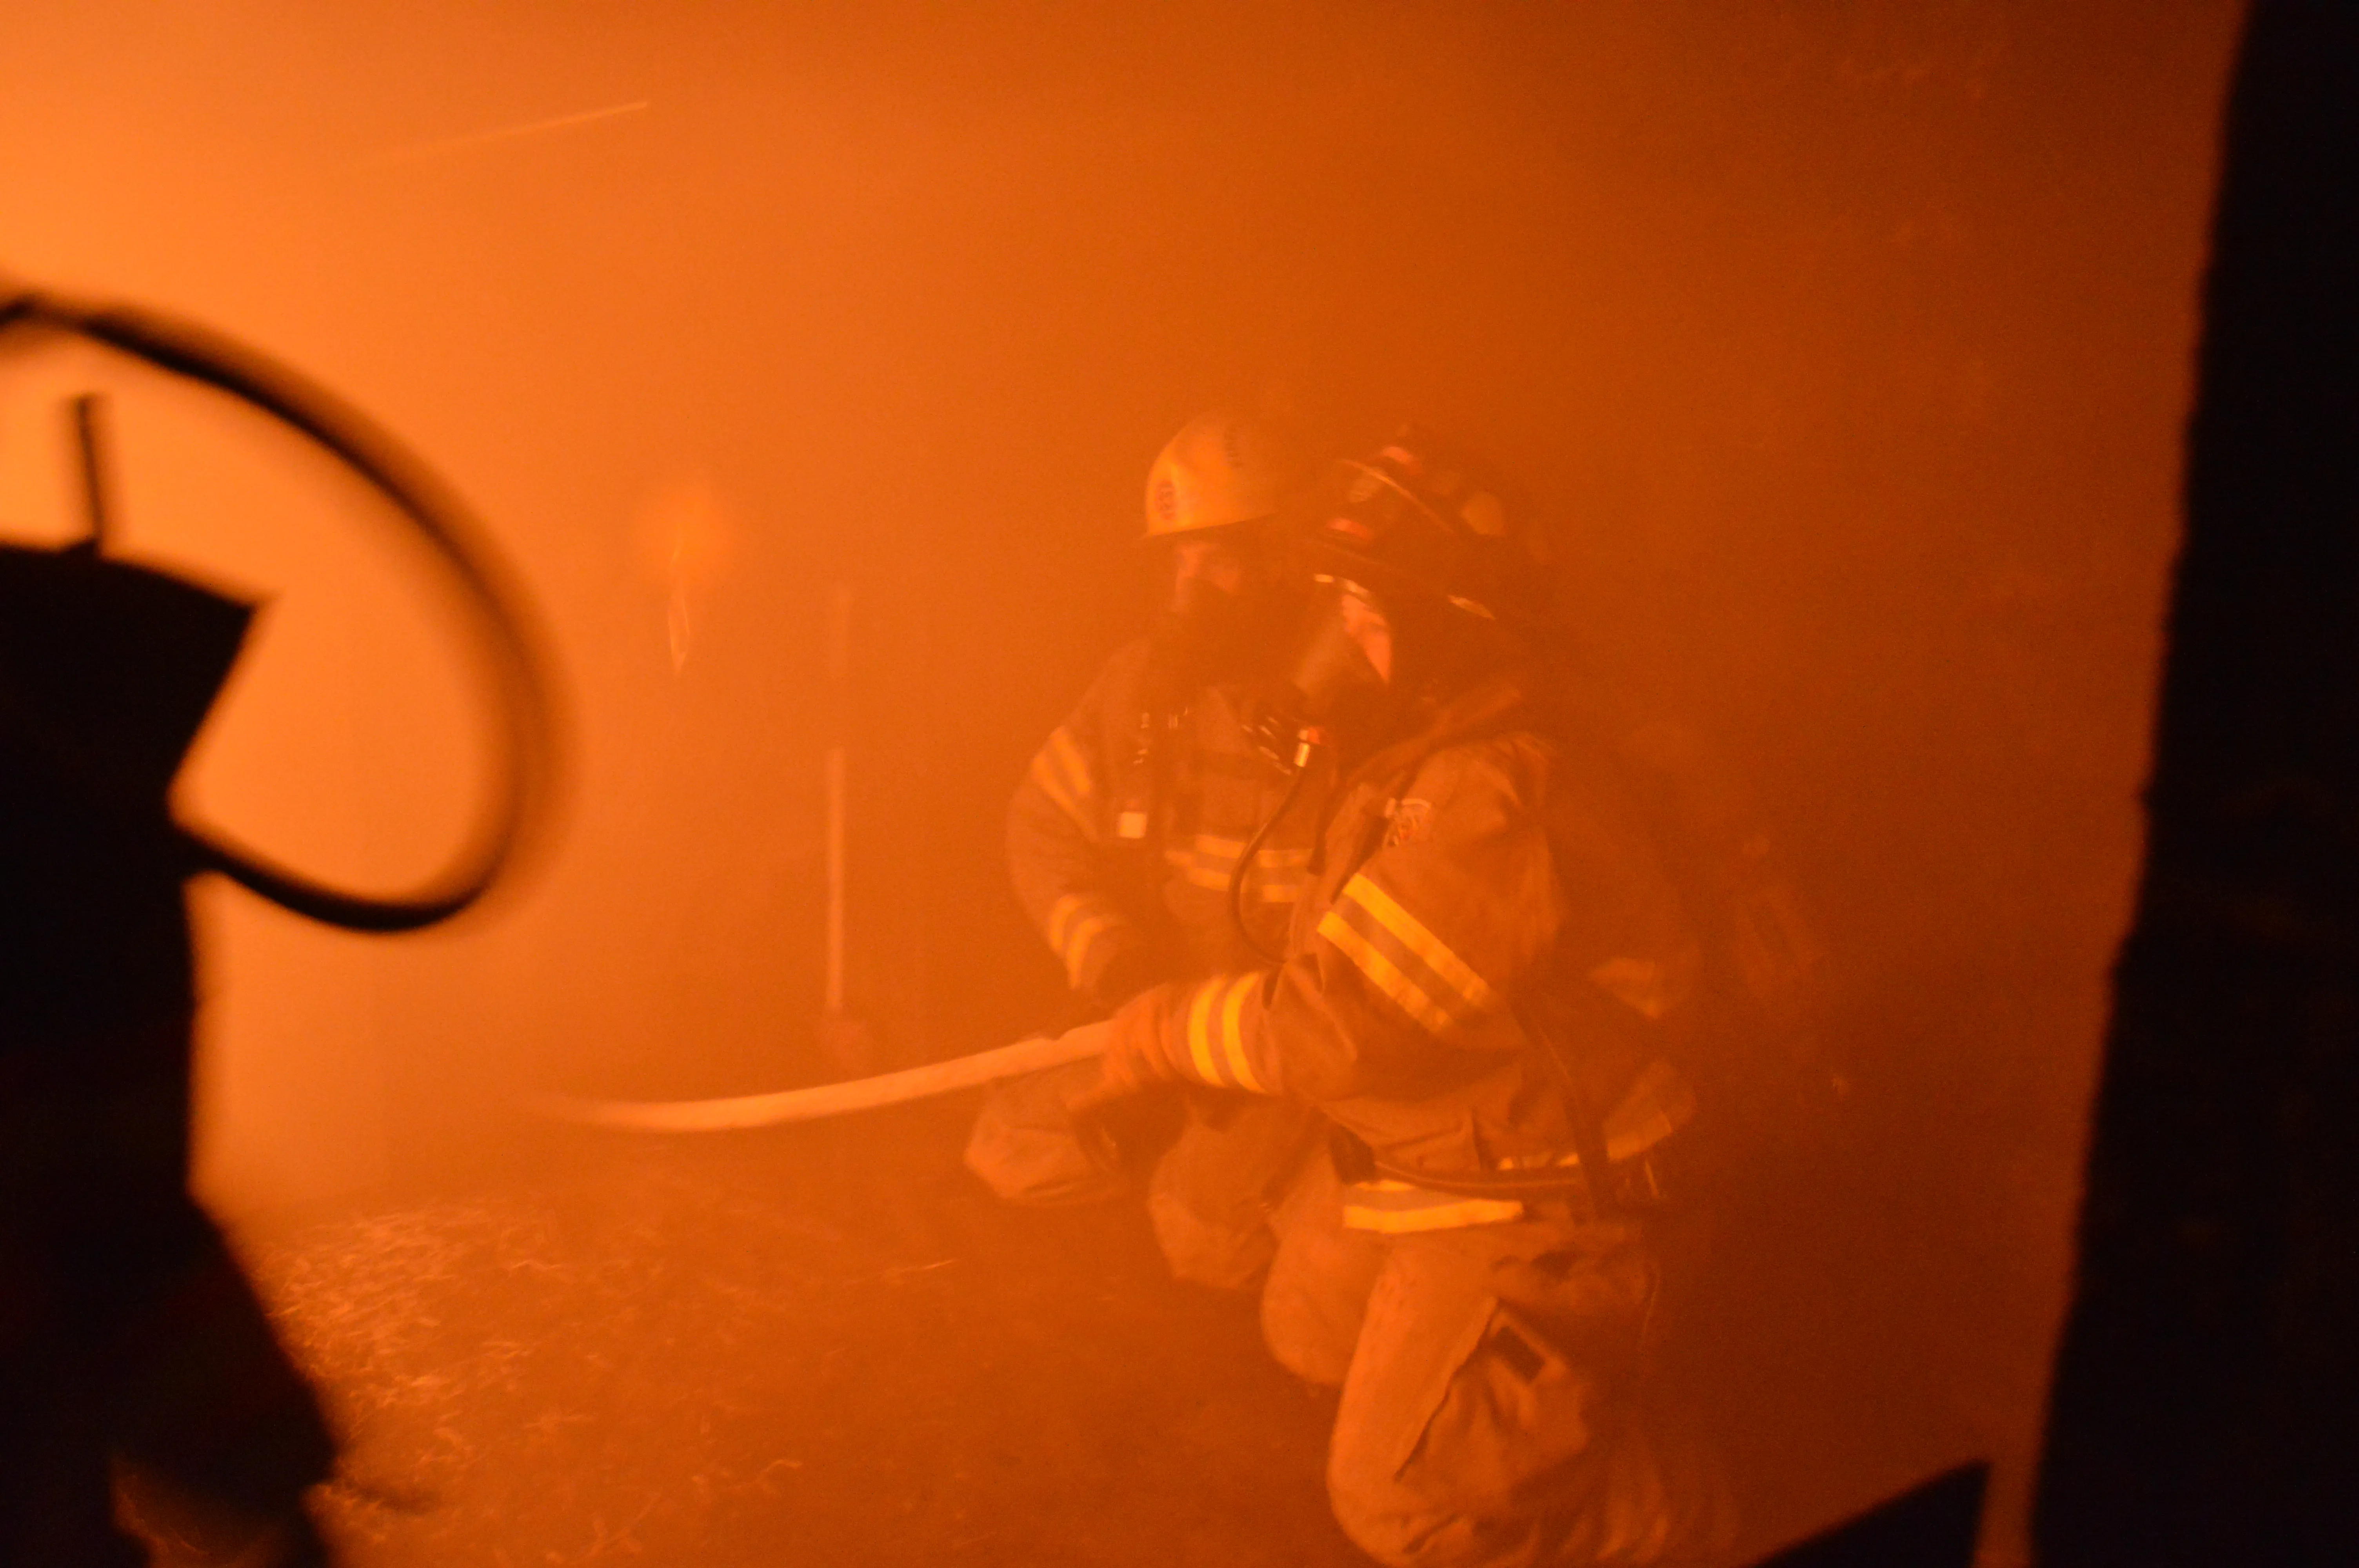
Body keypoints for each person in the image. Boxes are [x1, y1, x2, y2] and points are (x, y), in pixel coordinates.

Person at [1074, 430, 1736, 1567]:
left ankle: (1665, 1521)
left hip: (1554, 1200)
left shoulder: (1497, 787)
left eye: (1369, 616)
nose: (1343, 643)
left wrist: (1170, 1031)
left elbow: (1338, 1026)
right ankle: (1544, 1417)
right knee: (1305, 1326)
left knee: (1403, 1504)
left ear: (1447, 628)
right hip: (1452, 1155)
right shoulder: (1421, 754)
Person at [965, 410, 1325, 1288]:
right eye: (1180, 560)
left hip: (1274, 1043)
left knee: (1203, 1240)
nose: (1192, 590)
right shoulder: (1142, 687)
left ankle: (1285, 1182)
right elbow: (1040, 825)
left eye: (1222, 559)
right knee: (1011, 1145)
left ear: (1283, 558)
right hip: (1158, 1005)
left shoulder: (1345, 702)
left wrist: (1226, 1051)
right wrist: (1118, 966)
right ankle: (1192, 1157)